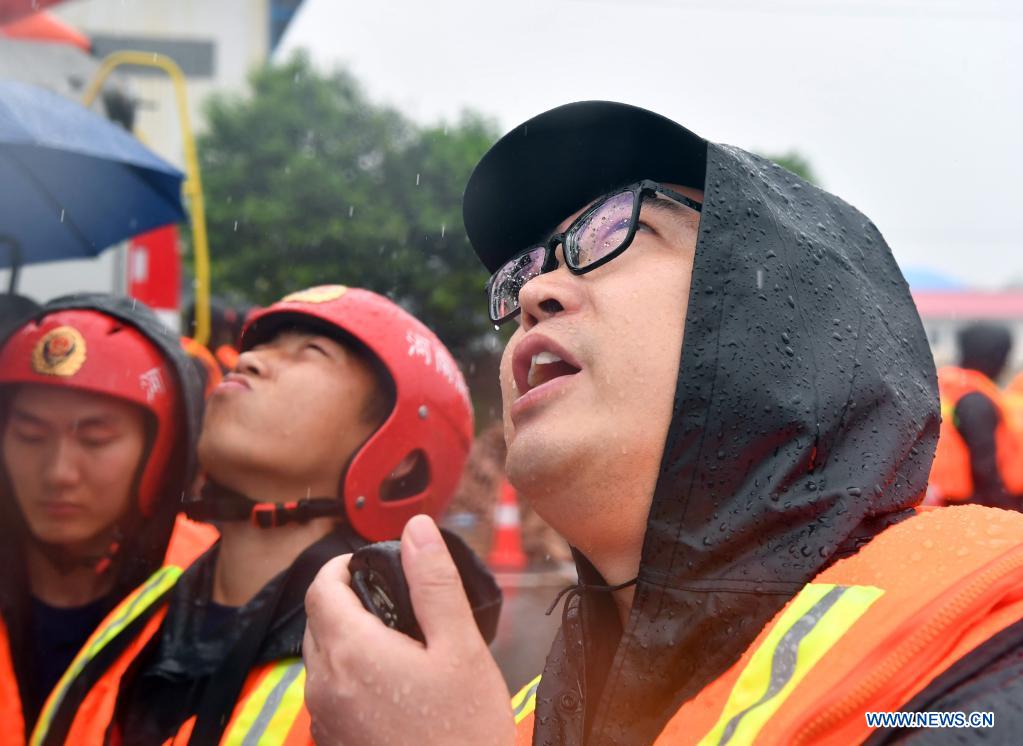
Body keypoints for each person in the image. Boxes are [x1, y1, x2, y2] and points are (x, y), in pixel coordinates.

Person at [302, 101, 1023, 745]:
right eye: (522, 272)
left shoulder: (985, 639)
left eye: (613, 231)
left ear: (773, 306)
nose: (536, 294)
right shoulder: (511, 718)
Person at [33, 284, 473, 745]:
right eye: (259, 346)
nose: (248, 360)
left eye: (311, 351)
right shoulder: (141, 605)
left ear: (399, 455)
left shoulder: (393, 677)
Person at [0, 294, 212, 742]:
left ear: (159, 454)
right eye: (30, 435)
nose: (58, 473)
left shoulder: (211, 584)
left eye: (95, 440)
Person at [928, 322, 1023, 508]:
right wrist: (1010, 511)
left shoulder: (945, 388)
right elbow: (984, 469)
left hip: (938, 500)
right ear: (997, 357)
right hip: (968, 506)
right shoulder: (975, 399)